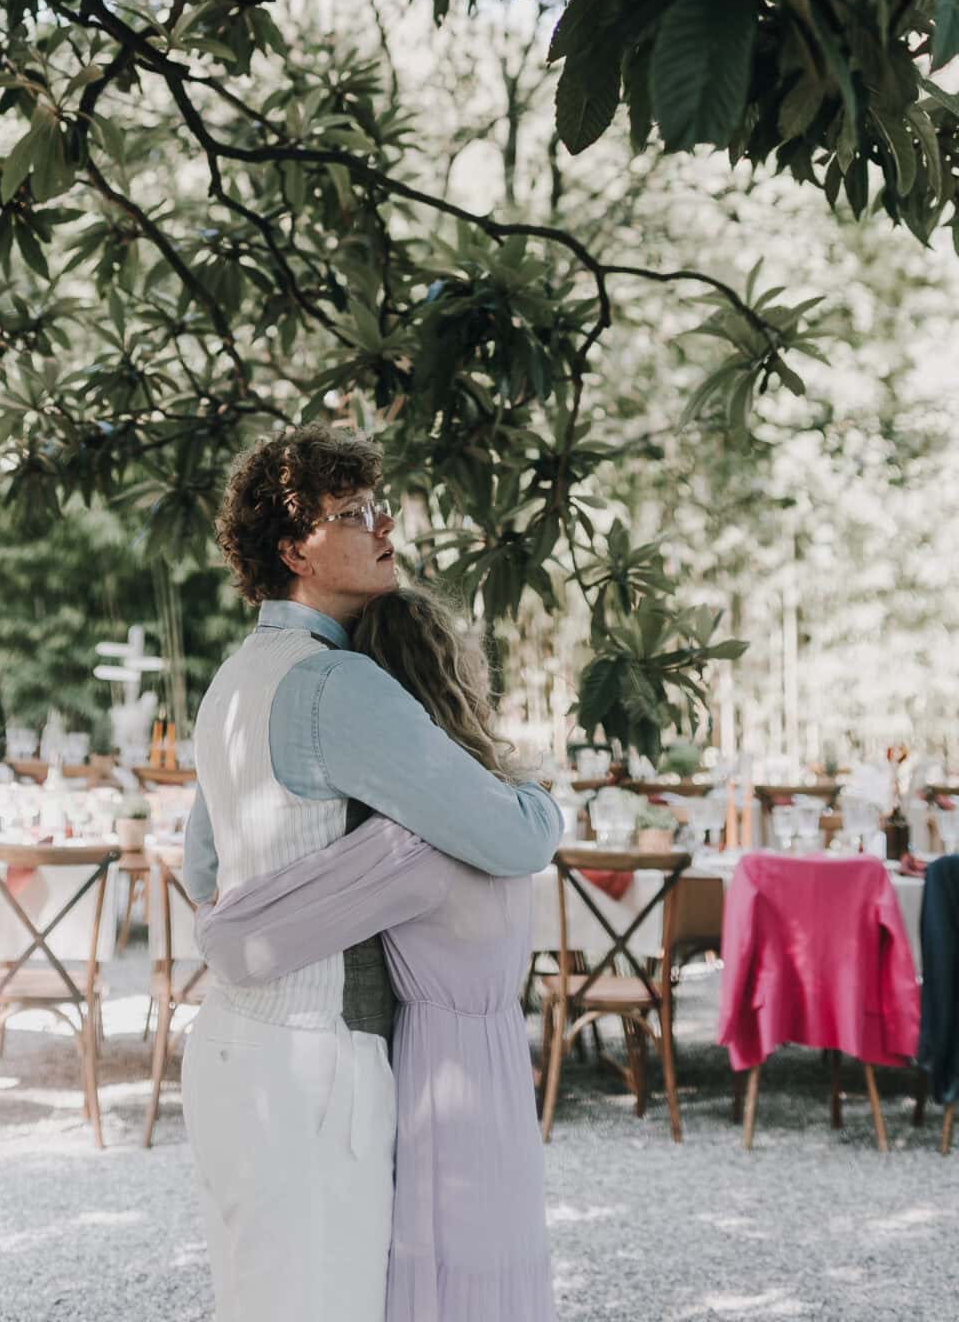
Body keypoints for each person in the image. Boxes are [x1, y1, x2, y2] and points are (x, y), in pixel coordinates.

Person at [181, 424, 561, 1322]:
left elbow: (202, 864)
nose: (383, 526)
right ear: (294, 549)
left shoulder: (235, 680)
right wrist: (538, 796)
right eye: (352, 513)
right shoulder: (337, 687)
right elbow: (512, 838)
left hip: (231, 1048)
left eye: (376, 507)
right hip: (316, 1062)